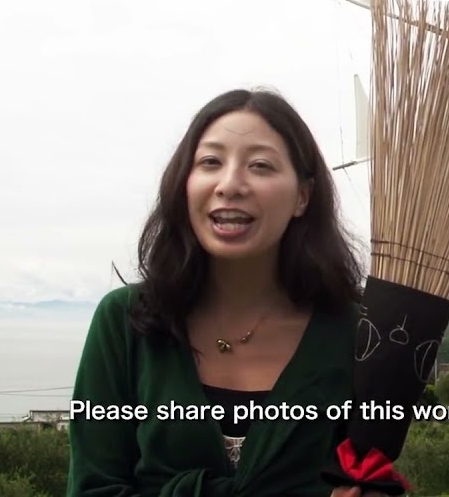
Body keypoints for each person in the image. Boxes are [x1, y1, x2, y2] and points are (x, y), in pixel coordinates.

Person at [66, 88, 384, 496]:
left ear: (302, 196)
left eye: (260, 166)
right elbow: (92, 488)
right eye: (210, 162)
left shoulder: (354, 334)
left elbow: (369, 471)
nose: (230, 184)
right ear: (185, 183)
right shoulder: (124, 321)